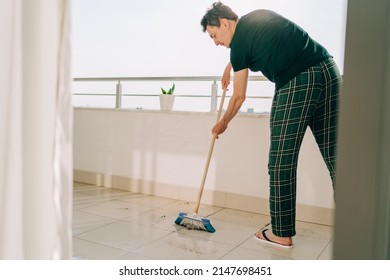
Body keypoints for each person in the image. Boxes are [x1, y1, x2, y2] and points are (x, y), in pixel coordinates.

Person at [201, 2, 341, 248]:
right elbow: (252, 46)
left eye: (214, 35)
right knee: (337, 156)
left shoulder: (240, 45)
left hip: (298, 81)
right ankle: (358, 222)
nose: (215, 42)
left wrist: (223, 122)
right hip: (328, 71)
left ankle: (281, 232)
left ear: (224, 23)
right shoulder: (257, 18)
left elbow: (239, 97)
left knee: (280, 160)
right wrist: (230, 65)